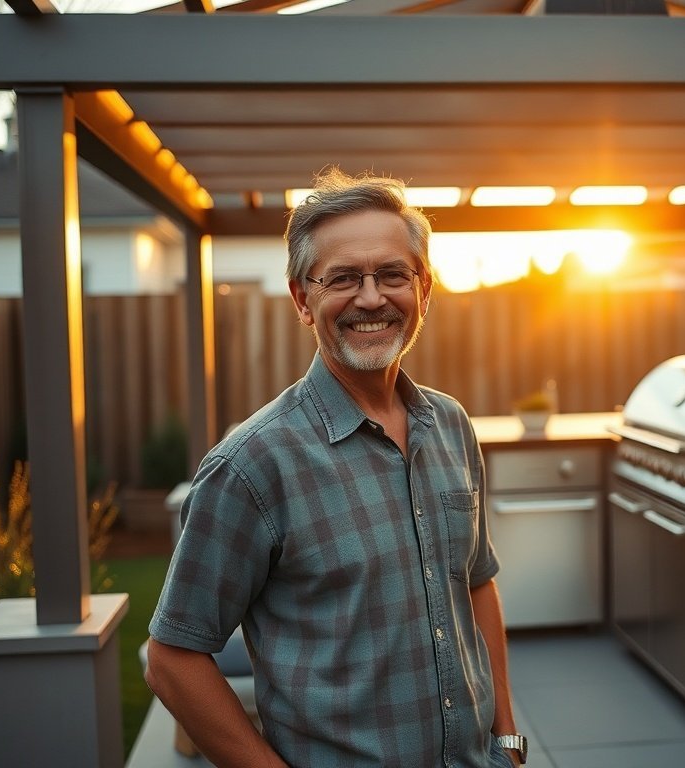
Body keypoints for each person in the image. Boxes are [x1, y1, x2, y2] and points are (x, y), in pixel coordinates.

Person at [144, 168, 527, 768]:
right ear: (303, 299)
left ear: (424, 290)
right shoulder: (251, 467)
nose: (371, 298)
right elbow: (172, 660)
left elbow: (477, 582)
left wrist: (507, 739)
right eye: (344, 278)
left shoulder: (451, 425)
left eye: (393, 275)